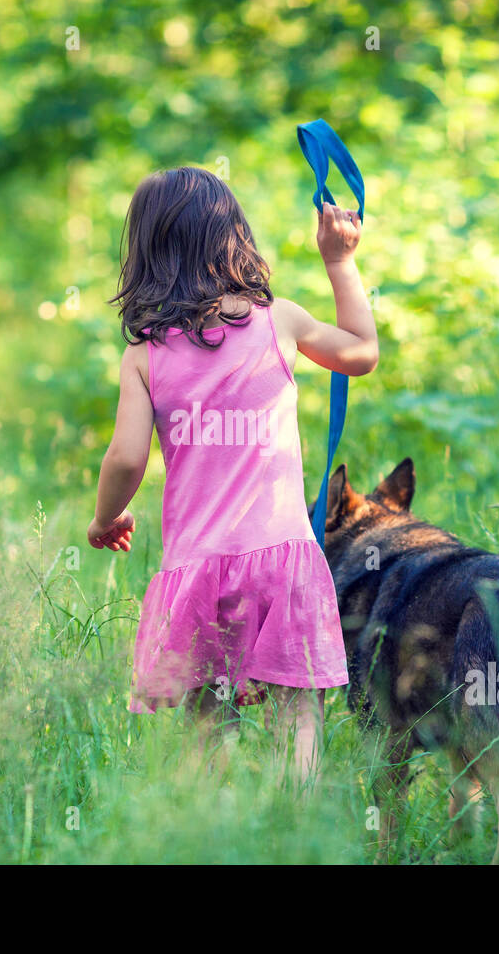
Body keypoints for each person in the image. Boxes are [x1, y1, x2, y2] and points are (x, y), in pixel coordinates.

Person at [88, 166, 376, 783]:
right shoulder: (280, 322)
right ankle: (293, 833)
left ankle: (211, 835)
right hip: (282, 557)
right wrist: (339, 261)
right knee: (298, 711)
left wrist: (106, 517)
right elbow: (361, 351)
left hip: (199, 568)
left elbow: (126, 459)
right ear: (234, 238)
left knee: (205, 720)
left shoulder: (144, 355)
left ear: (146, 252)